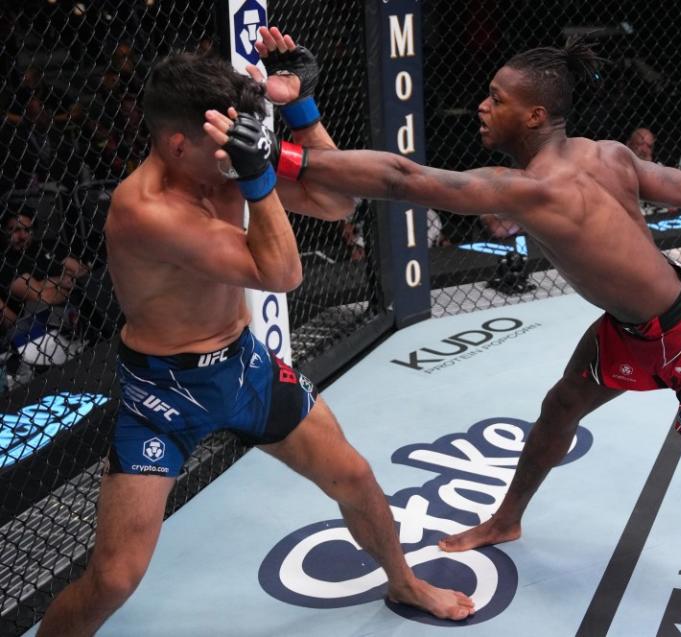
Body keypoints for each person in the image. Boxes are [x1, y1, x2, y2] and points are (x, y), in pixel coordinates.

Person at [209, 36, 681, 610]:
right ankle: (507, 516)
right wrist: (635, 194)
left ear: (534, 115)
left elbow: (406, 180)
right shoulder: (604, 153)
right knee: (561, 404)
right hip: (635, 325)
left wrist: (280, 152)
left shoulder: (538, 189)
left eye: (496, 99)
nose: (482, 107)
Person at [36, 35, 474, 637]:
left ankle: (402, 580)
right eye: (223, 139)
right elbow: (282, 274)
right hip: (165, 395)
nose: (232, 151)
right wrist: (258, 177)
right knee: (115, 577)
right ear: (178, 142)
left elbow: (338, 202)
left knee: (356, 478)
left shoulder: (219, 166)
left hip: (245, 364)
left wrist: (301, 110)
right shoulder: (144, 210)